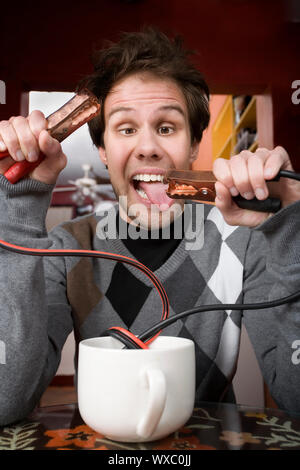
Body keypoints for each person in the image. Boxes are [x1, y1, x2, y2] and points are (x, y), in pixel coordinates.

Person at [0, 28, 300, 426]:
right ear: (104, 151)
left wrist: (289, 232)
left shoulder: (245, 241)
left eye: (166, 127)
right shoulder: (65, 248)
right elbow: (6, 400)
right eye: (126, 129)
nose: (147, 147)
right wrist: (18, 210)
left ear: (194, 145)